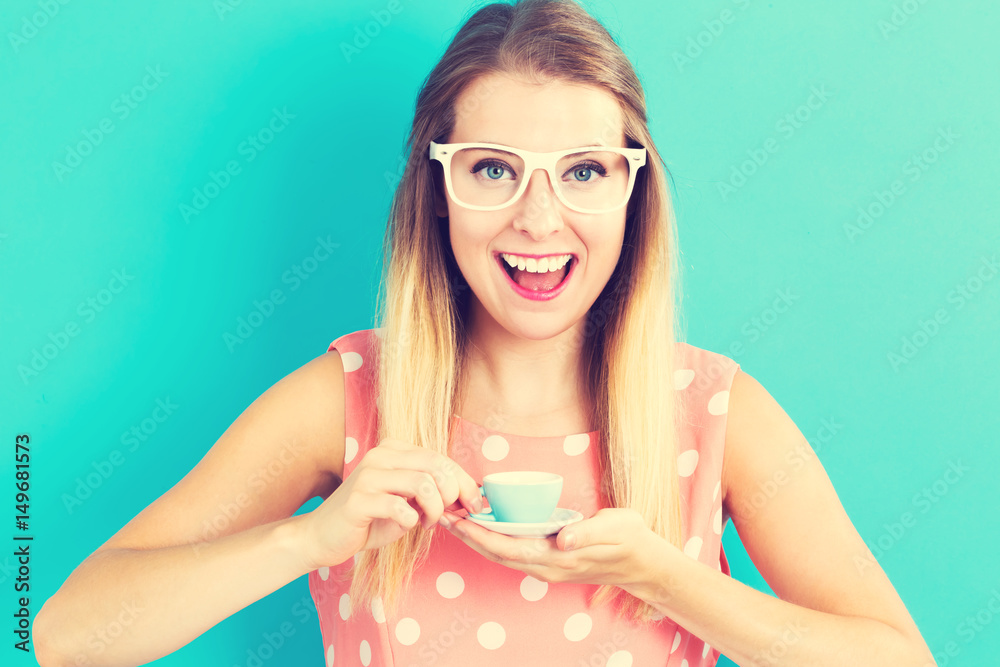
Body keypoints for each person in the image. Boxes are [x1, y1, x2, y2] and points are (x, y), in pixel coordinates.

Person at [34, 1, 936, 665]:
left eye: (582, 170)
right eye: (494, 168)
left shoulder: (711, 412)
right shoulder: (347, 399)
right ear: (437, 188)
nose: (538, 220)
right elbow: (69, 636)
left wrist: (668, 578)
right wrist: (310, 540)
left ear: (632, 191)